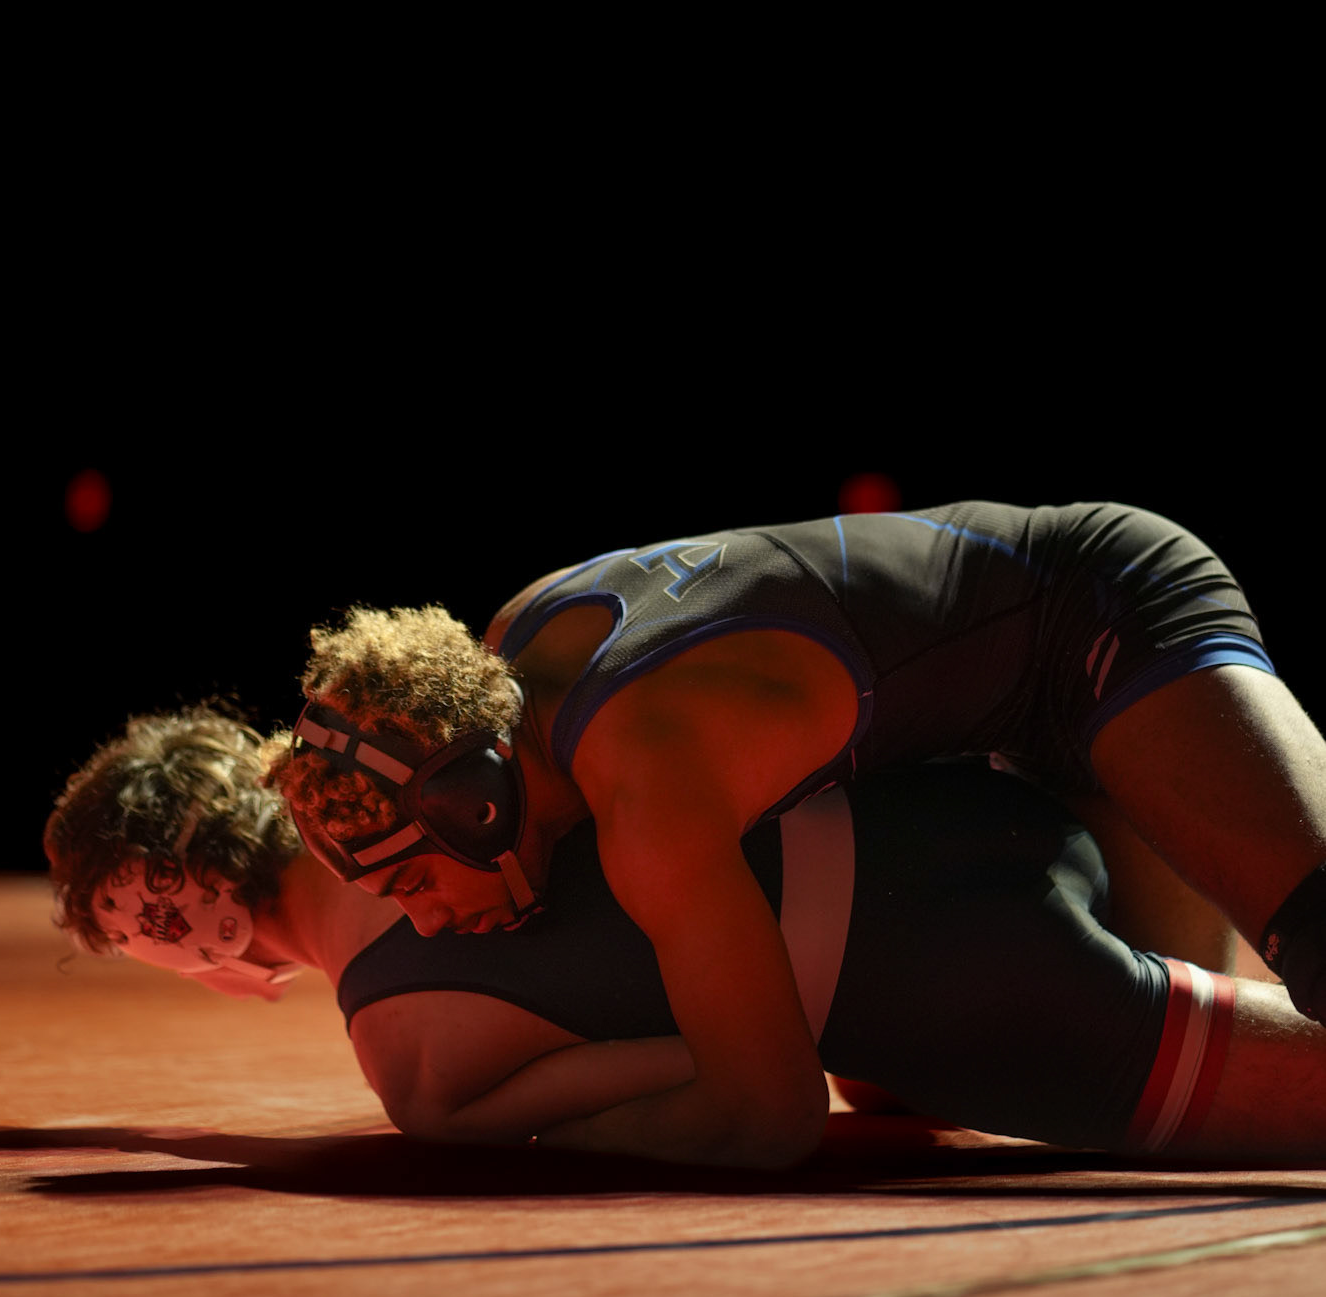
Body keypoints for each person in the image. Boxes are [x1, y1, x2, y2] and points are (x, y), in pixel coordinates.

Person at [273, 500, 1326, 1169]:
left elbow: (764, 1117)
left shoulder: (647, 787)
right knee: (1192, 1066)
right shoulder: (521, 642)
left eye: (412, 882)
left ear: (476, 806)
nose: (424, 920)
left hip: (1105, 629)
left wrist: (544, 1135)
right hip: (1013, 734)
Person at [43, 707, 1326, 1168]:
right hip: (968, 792)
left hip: (969, 986)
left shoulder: (417, 1061)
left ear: (193, 945)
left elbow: (739, 1067)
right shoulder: (434, 742)